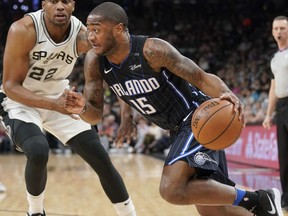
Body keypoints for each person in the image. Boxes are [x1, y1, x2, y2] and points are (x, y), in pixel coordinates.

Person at [64, 2, 283, 216]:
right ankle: (265, 209)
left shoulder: (152, 50)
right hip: (176, 128)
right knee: (213, 209)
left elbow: (200, 77)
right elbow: (95, 114)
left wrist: (230, 96)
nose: (90, 36)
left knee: (170, 189)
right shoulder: (95, 60)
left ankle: (259, 199)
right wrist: (86, 108)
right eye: (89, 30)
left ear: (118, 29)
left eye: (96, 30)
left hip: (196, 117)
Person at [0, 1, 137, 216]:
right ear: (44, 4)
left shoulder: (83, 35)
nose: (60, 6)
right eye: (54, 1)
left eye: (65, 1)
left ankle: (130, 214)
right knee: (37, 150)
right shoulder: (23, 30)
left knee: (99, 157)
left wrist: (126, 115)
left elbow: (117, 67)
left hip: (60, 98)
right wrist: (53, 104)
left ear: (73, 5)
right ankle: (35, 212)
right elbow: (10, 86)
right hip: (21, 101)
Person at [262, 15, 288, 210]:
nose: (279, 31)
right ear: (272, 31)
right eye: (276, 28)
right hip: (281, 107)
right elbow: (273, 88)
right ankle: (286, 197)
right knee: (284, 155)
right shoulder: (274, 58)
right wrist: (268, 114)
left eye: (283, 28)